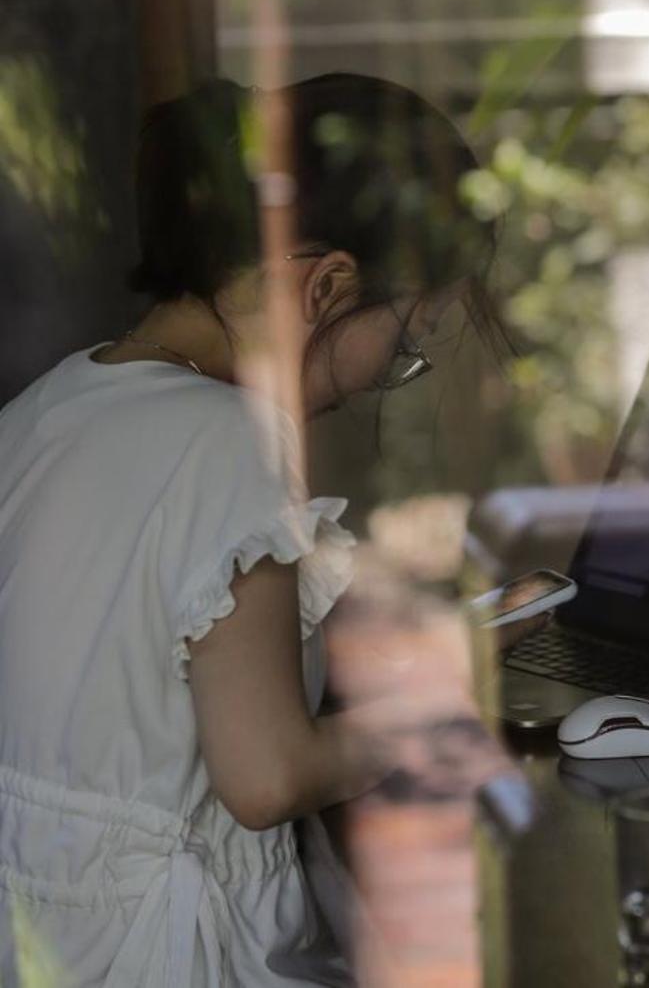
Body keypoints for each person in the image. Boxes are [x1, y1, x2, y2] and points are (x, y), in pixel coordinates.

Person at [0, 74, 511, 986]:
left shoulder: (52, 405)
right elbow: (267, 775)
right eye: (402, 343)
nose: (381, 376)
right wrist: (438, 700)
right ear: (329, 284)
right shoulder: (232, 441)